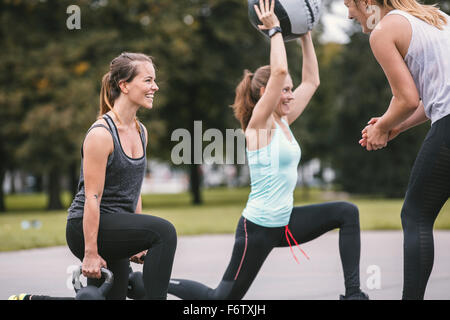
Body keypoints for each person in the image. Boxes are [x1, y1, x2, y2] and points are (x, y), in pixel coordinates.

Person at [168, 0, 368, 300]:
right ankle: (150, 282)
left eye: (290, 89)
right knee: (220, 301)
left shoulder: (284, 120)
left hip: (285, 221)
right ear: (265, 94)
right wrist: (275, 29)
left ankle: (353, 295)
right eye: (285, 90)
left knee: (346, 212)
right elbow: (279, 71)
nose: (290, 94)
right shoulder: (259, 126)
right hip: (257, 229)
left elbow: (312, 81)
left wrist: (304, 31)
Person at [346, 0, 450, 299]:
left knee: (416, 215)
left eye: (348, 4)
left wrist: (380, 128)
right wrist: (395, 127)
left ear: (366, 3)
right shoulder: (437, 17)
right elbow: (428, 100)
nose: (348, 13)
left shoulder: (383, 30)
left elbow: (406, 98)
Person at [65, 52, 177, 300]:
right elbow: (92, 197)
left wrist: (137, 240)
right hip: (86, 227)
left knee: (111, 298)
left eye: (154, 81)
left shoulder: (140, 131)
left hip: (116, 226)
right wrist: (91, 252)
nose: (155, 87)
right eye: (148, 80)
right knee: (164, 232)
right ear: (124, 85)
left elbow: (133, 190)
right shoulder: (101, 134)